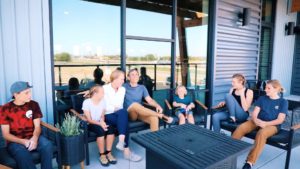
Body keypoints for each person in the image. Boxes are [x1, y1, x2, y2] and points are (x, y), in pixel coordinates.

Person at [232, 80, 288, 169]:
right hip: (257, 121)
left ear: (276, 89)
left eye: (268, 88)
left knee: (261, 133)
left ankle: (250, 162)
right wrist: (256, 120)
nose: (265, 90)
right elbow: (254, 113)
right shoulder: (262, 98)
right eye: (265, 87)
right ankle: (228, 150)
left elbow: (280, 120)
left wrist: (266, 124)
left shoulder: (283, 102)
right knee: (241, 127)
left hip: (272, 125)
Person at [0, 81, 53, 169]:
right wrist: (23, 141)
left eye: (30, 92)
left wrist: (35, 139)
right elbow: (6, 135)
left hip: (32, 136)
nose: (30, 95)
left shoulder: (34, 104)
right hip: (15, 141)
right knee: (22, 154)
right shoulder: (5, 109)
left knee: (47, 145)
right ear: (16, 95)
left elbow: (37, 126)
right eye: (26, 93)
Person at [103, 69, 142, 162]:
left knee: (123, 112)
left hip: (118, 114)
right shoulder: (105, 88)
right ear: (115, 79)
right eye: (122, 79)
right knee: (124, 122)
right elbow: (105, 107)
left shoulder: (122, 89)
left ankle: (121, 141)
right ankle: (126, 150)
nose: (123, 81)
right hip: (107, 115)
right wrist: (113, 108)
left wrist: (114, 107)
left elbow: (119, 105)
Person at [82, 85, 117, 166]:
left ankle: (108, 153)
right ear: (95, 93)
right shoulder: (87, 102)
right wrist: (100, 124)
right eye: (102, 92)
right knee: (101, 131)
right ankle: (102, 155)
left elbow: (102, 116)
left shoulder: (103, 101)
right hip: (90, 123)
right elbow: (89, 120)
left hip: (99, 121)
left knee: (111, 128)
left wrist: (102, 122)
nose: (104, 94)